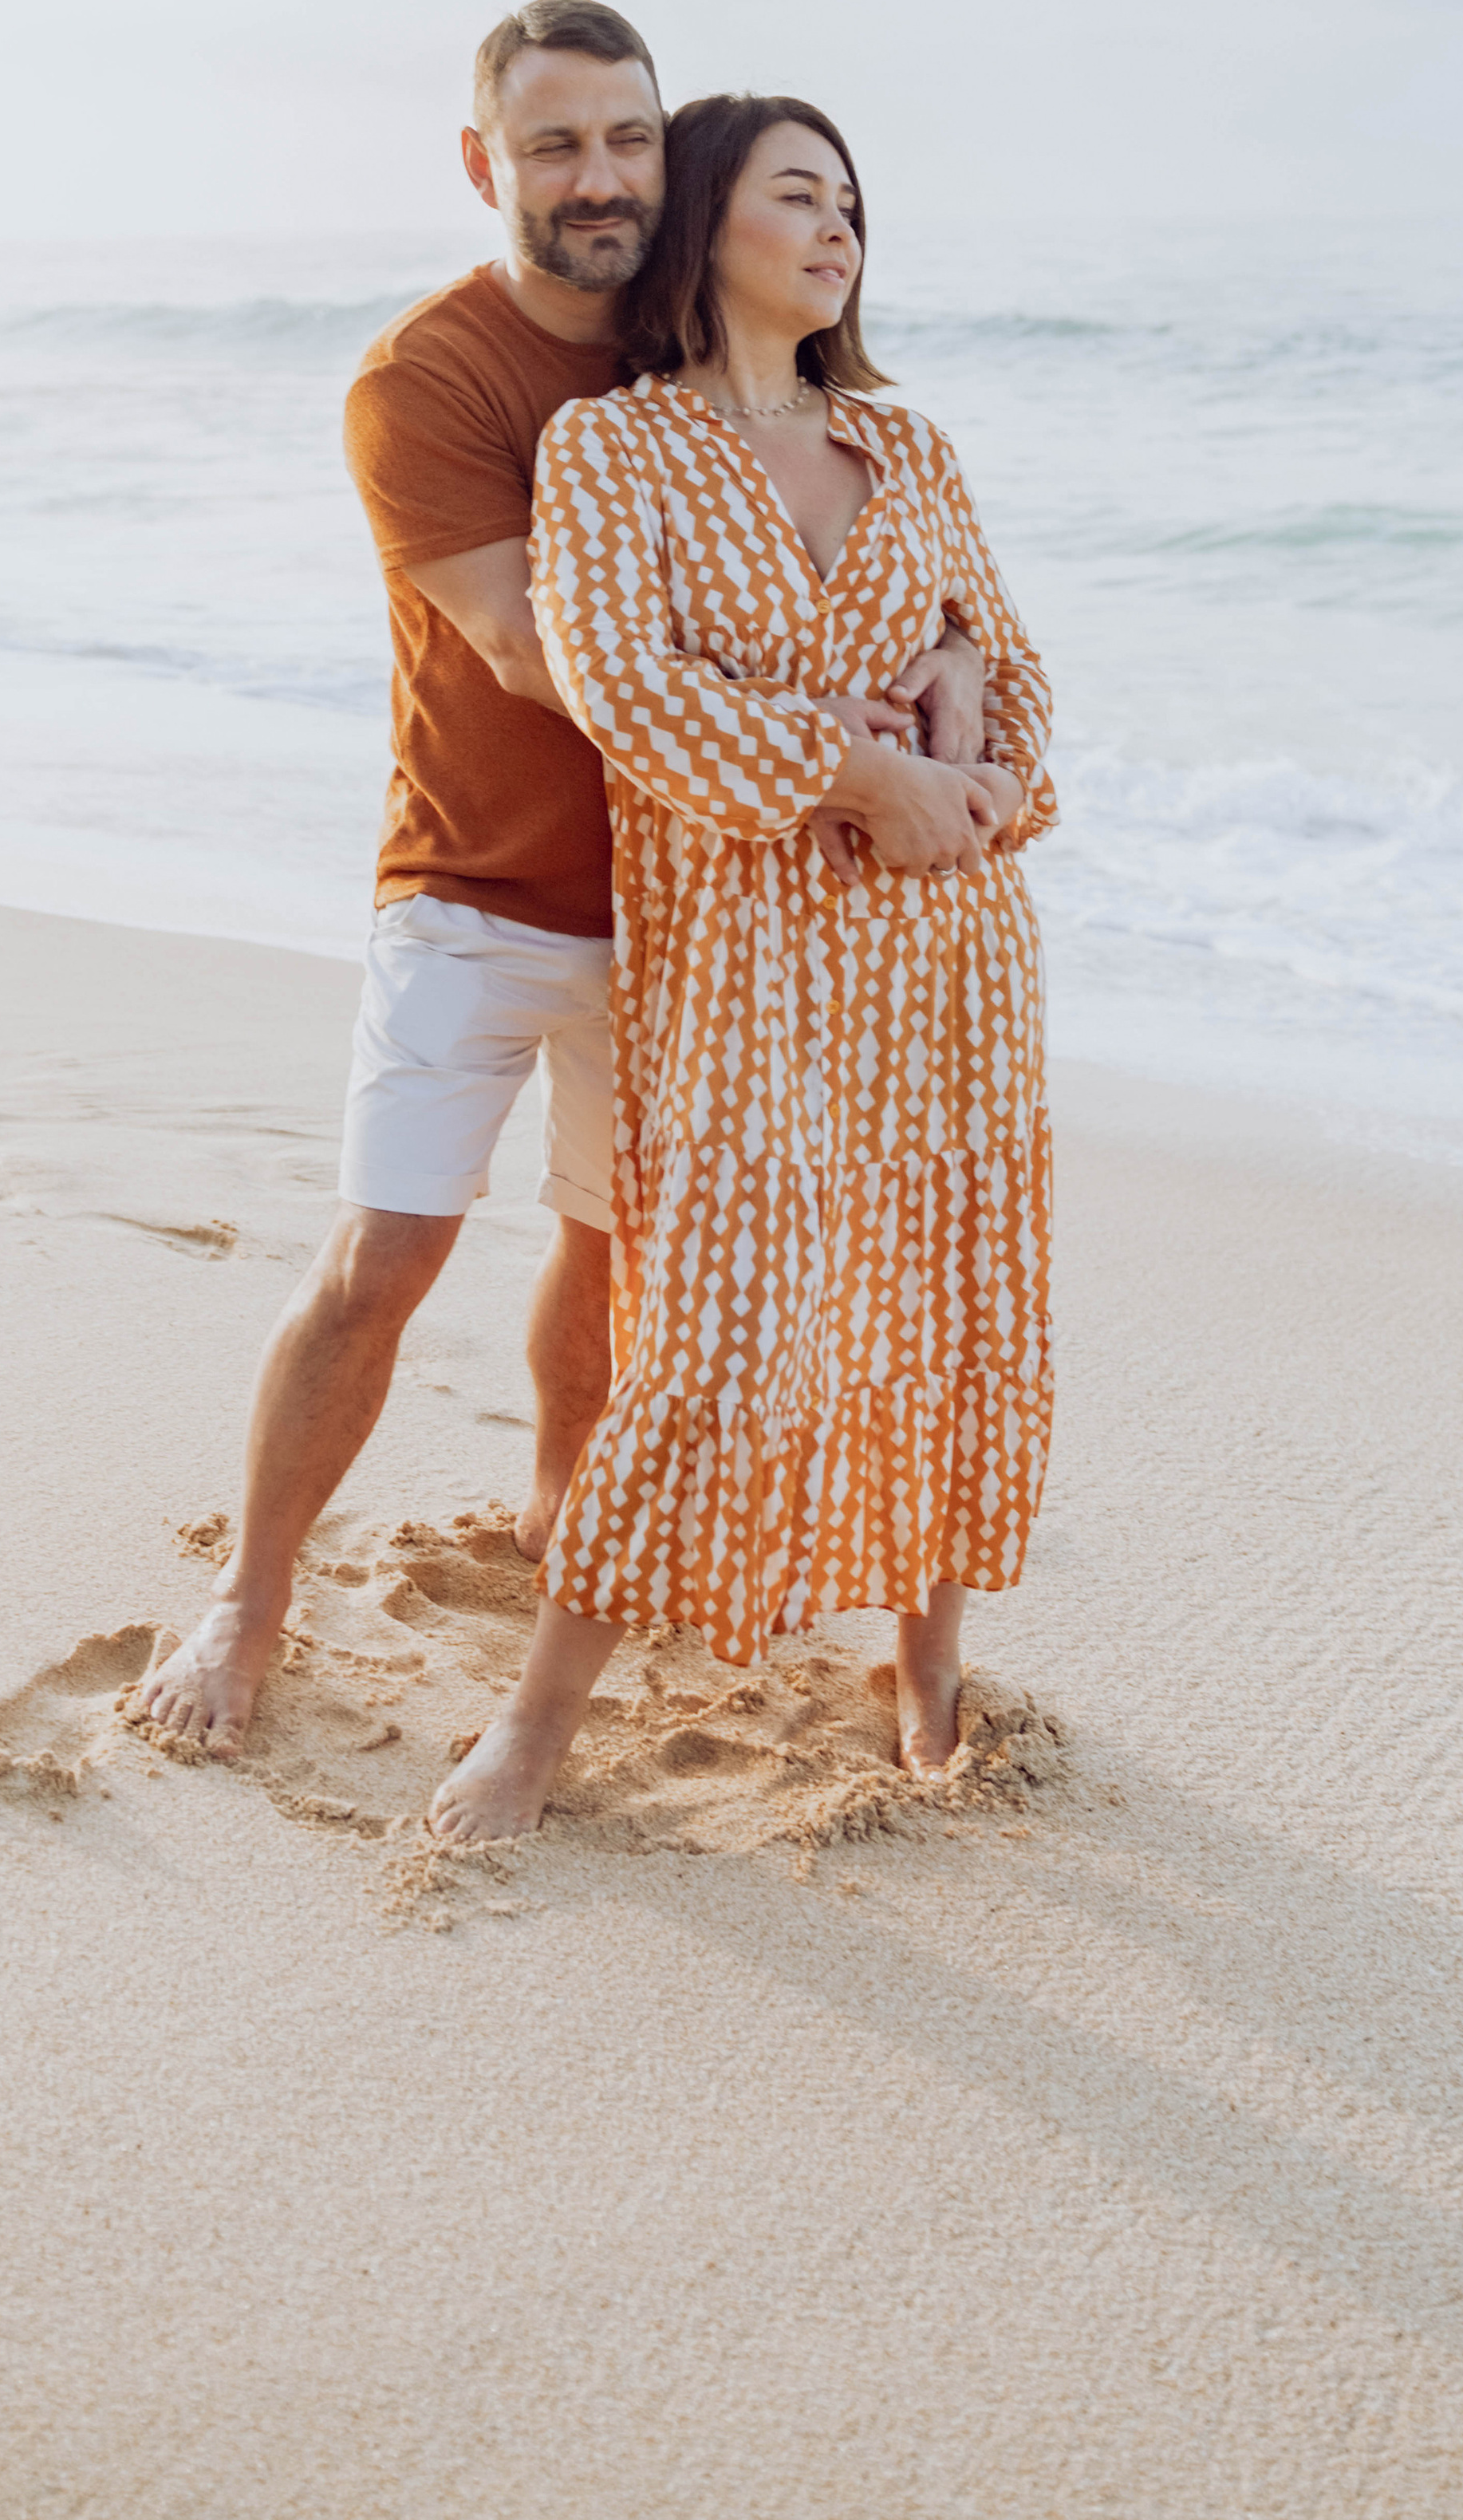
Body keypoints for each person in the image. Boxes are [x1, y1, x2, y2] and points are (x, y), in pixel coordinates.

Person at [138, 5, 985, 1757]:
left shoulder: (714, 345)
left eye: (625, 141)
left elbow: (907, 570)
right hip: (475, 883)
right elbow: (541, 648)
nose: (595, 178)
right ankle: (254, 1593)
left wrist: (939, 704)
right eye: (551, 145)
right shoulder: (425, 382)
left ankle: (553, 1506)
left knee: (610, 1265)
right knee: (384, 1259)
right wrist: (850, 747)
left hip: (699, 909)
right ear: (484, 165)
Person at [427, 92, 1057, 1844]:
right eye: (797, 193)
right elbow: (626, 693)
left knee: (940, 1309)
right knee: (705, 1335)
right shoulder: (615, 454)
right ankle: (539, 1724)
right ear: (706, 224)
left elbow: (1017, 669)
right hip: (746, 963)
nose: (838, 223)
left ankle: (925, 1668)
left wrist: (979, 769)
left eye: (852, 196)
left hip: (943, 959)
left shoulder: (907, 448)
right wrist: (840, 759)